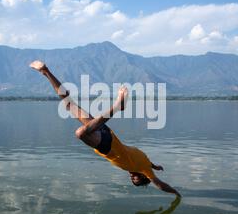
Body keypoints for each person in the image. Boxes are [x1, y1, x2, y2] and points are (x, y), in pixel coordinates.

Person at [30, 60, 181, 197]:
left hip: (105, 131)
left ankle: (46, 72)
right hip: (106, 145)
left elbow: (149, 164)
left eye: (132, 179)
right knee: (80, 133)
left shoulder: (147, 164)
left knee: (69, 104)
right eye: (134, 178)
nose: (131, 177)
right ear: (143, 176)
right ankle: (117, 107)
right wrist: (175, 192)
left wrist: (156, 166)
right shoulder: (145, 170)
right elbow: (160, 184)